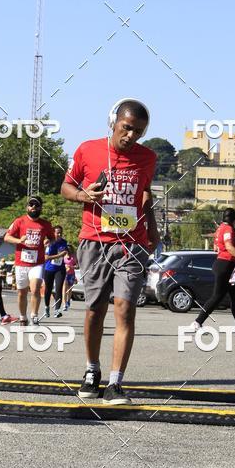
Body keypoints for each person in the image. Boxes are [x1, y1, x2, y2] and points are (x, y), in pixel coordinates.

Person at [61, 98, 159, 405]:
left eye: (138, 132)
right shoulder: (87, 150)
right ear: (113, 122)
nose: (131, 136)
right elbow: (66, 187)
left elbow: (145, 192)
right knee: (94, 310)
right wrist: (82, 194)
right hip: (94, 240)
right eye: (127, 128)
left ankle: (116, 383)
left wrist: (152, 225)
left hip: (131, 243)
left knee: (125, 309)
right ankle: (92, 370)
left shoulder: (148, 158)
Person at [190, 208, 235, 330]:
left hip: (226, 265)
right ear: (234, 218)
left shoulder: (219, 229)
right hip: (225, 265)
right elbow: (229, 246)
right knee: (217, 296)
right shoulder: (228, 229)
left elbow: (215, 248)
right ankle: (197, 322)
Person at [4, 196, 55, 326]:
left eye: (36, 205)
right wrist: (19, 240)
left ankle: (34, 315)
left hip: (37, 263)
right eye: (31, 205)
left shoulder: (45, 224)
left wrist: (48, 241)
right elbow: (7, 237)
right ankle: (23, 317)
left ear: (40, 208)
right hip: (21, 262)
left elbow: (52, 238)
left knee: (36, 289)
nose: (33, 207)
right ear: (27, 207)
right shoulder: (19, 221)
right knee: (21, 292)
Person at [43, 225, 69, 319]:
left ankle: (57, 310)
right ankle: (46, 307)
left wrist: (66, 254)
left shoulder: (64, 242)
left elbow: (66, 253)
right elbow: (46, 257)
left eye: (60, 233)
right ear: (53, 233)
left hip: (60, 269)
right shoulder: (49, 242)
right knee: (48, 290)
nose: (59, 234)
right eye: (57, 232)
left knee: (58, 289)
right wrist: (58, 255)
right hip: (49, 269)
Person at [63, 246, 77, 311]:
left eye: (69, 249)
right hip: (64, 274)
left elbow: (77, 266)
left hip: (71, 274)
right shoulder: (63, 256)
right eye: (67, 249)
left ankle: (68, 300)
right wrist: (64, 266)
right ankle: (64, 304)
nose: (68, 251)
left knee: (69, 289)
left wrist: (71, 267)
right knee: (64, 289)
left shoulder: (73, 257)